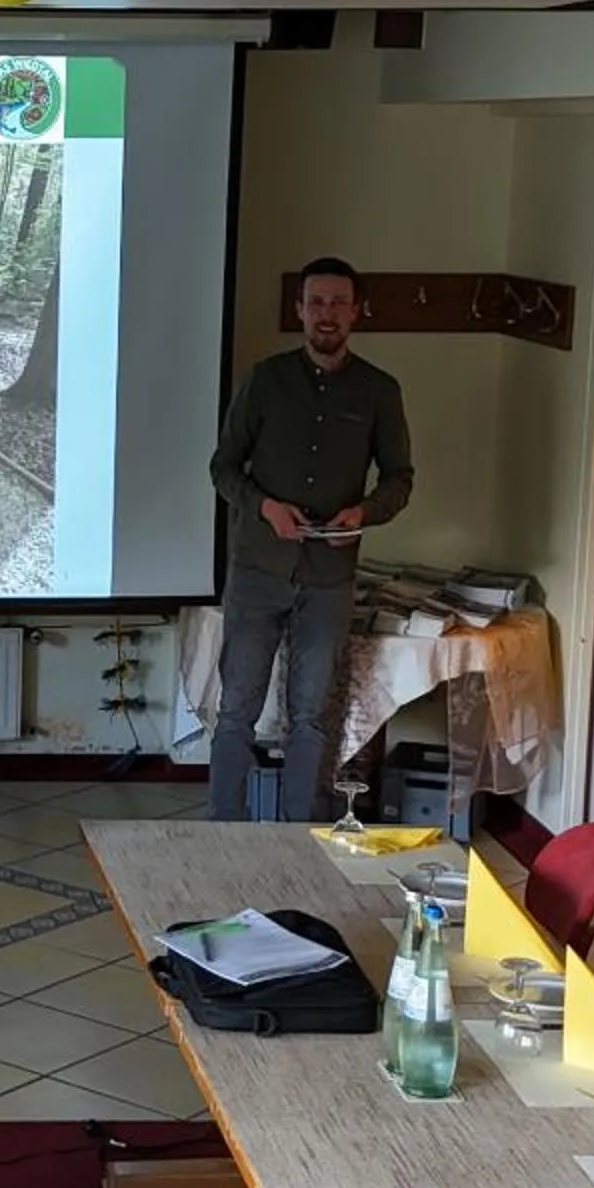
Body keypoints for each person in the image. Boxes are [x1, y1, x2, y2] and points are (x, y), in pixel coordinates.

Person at [205, 258, 414, 822]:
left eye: (338, 303)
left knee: (311, 716)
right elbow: (223, 467)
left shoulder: (378, 391)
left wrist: (364, 512)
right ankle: (223, 828)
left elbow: (400, 478)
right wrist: (265, 507)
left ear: (357, 311)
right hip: (258, 570)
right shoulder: (266, 379)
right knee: (237, 712)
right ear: (299, 310)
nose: (327, 314)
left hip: (329, 581)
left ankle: (298, 835)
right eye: (316, 302)